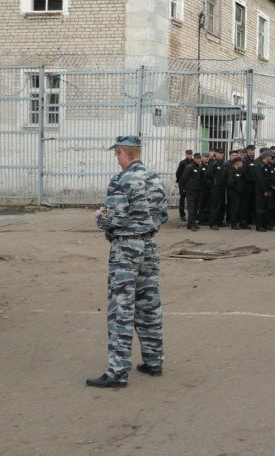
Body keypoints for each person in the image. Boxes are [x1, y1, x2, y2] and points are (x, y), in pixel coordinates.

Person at [89, 136, 167, 388]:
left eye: (117, 154)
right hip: (149, 247)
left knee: (121, 309)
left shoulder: (121, 180)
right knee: (149, 303)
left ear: (123, 153)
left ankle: (118, 371)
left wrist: (101, 218)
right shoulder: (154, 178)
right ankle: (154, 361)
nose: (117, 158)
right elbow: (163, 215)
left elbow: (115, 217)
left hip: (125, 249)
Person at [175, 150, 194, 222]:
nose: (190, 155)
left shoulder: (193, 162)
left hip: (191, 184)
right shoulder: (183, 163)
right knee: (182, 199)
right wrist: (180, 182)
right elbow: (178, 173)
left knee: (191, 200)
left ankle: (191, 215)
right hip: (183, 184)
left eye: (191, 154)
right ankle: (182, 215)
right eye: (189, 154)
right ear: (186, 154)